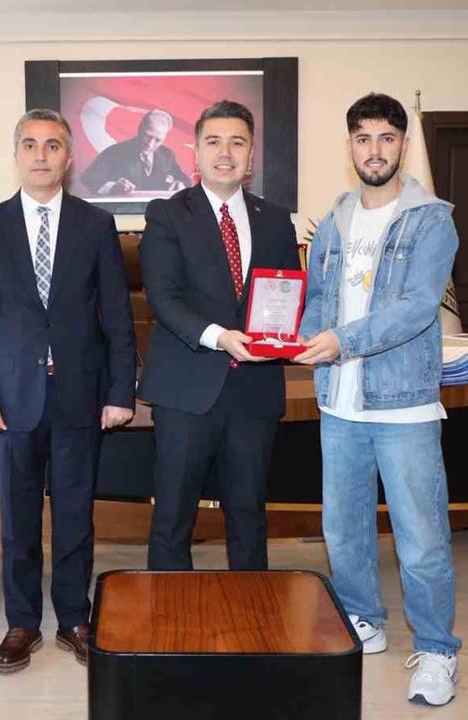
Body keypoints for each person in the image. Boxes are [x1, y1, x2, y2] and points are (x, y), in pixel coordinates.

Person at [294, 92, 462, 707]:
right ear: (351, 146)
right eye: (363, 138)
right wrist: (298, 338)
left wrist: (342, 341)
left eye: (386, 138)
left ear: (403, 145)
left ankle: (438, 650)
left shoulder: (432, 220)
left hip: (404, 406)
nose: (374, 150)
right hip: (339, 404)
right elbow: (319, 298)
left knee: (421, 538)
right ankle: (363, 618)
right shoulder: (334, 219)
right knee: (344, 530)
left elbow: (417, 308)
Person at [0, 108, 137, 674]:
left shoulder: (96, 225)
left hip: (80, 393)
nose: (41, 155)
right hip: (12, 398)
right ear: (16, 154)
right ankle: (22, 623)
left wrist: (121, 391)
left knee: (76, 515)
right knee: (17, 519)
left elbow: (118, 317)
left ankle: (74, 619)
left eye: (53, 145)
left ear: (69, 156)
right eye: (31, 144)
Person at [138, 100, 300, 571]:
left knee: (249, 516)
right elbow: (163, 297)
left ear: (251, 156)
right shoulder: (167, 214)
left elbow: (287, 294)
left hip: (254, 390)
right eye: (214, 142)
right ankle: (170, 610)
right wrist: (220, 336)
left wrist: (287, 333)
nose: (225, 152)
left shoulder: (275, 219)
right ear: (195, 152)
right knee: (173, 517)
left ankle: (249, 609)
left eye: (237, 142)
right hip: (186, 389)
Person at [80, 109, 189, 196]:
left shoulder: (167, 155)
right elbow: (89, 178)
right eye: (148, 136)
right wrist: (113, 187)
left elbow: (184, 179)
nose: (150, 144)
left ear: (164, 138)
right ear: (140, 129)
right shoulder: (115, 153)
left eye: (157, 140)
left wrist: (181, 185)